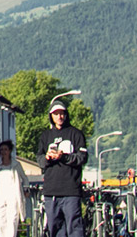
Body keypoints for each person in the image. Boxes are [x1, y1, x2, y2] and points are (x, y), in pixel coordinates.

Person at [37, 101, 88, 237]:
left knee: (74, 227)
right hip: (51, 191)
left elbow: (82, 158)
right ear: (51, 116)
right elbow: (39, 160)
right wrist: (47, 158)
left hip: (71, 190)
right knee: (55, 228)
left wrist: (63, 157)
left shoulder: (76, 134)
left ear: (66, 115)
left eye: (62, 113)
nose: (59, 117)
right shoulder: (45, 136)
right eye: (56, 114)